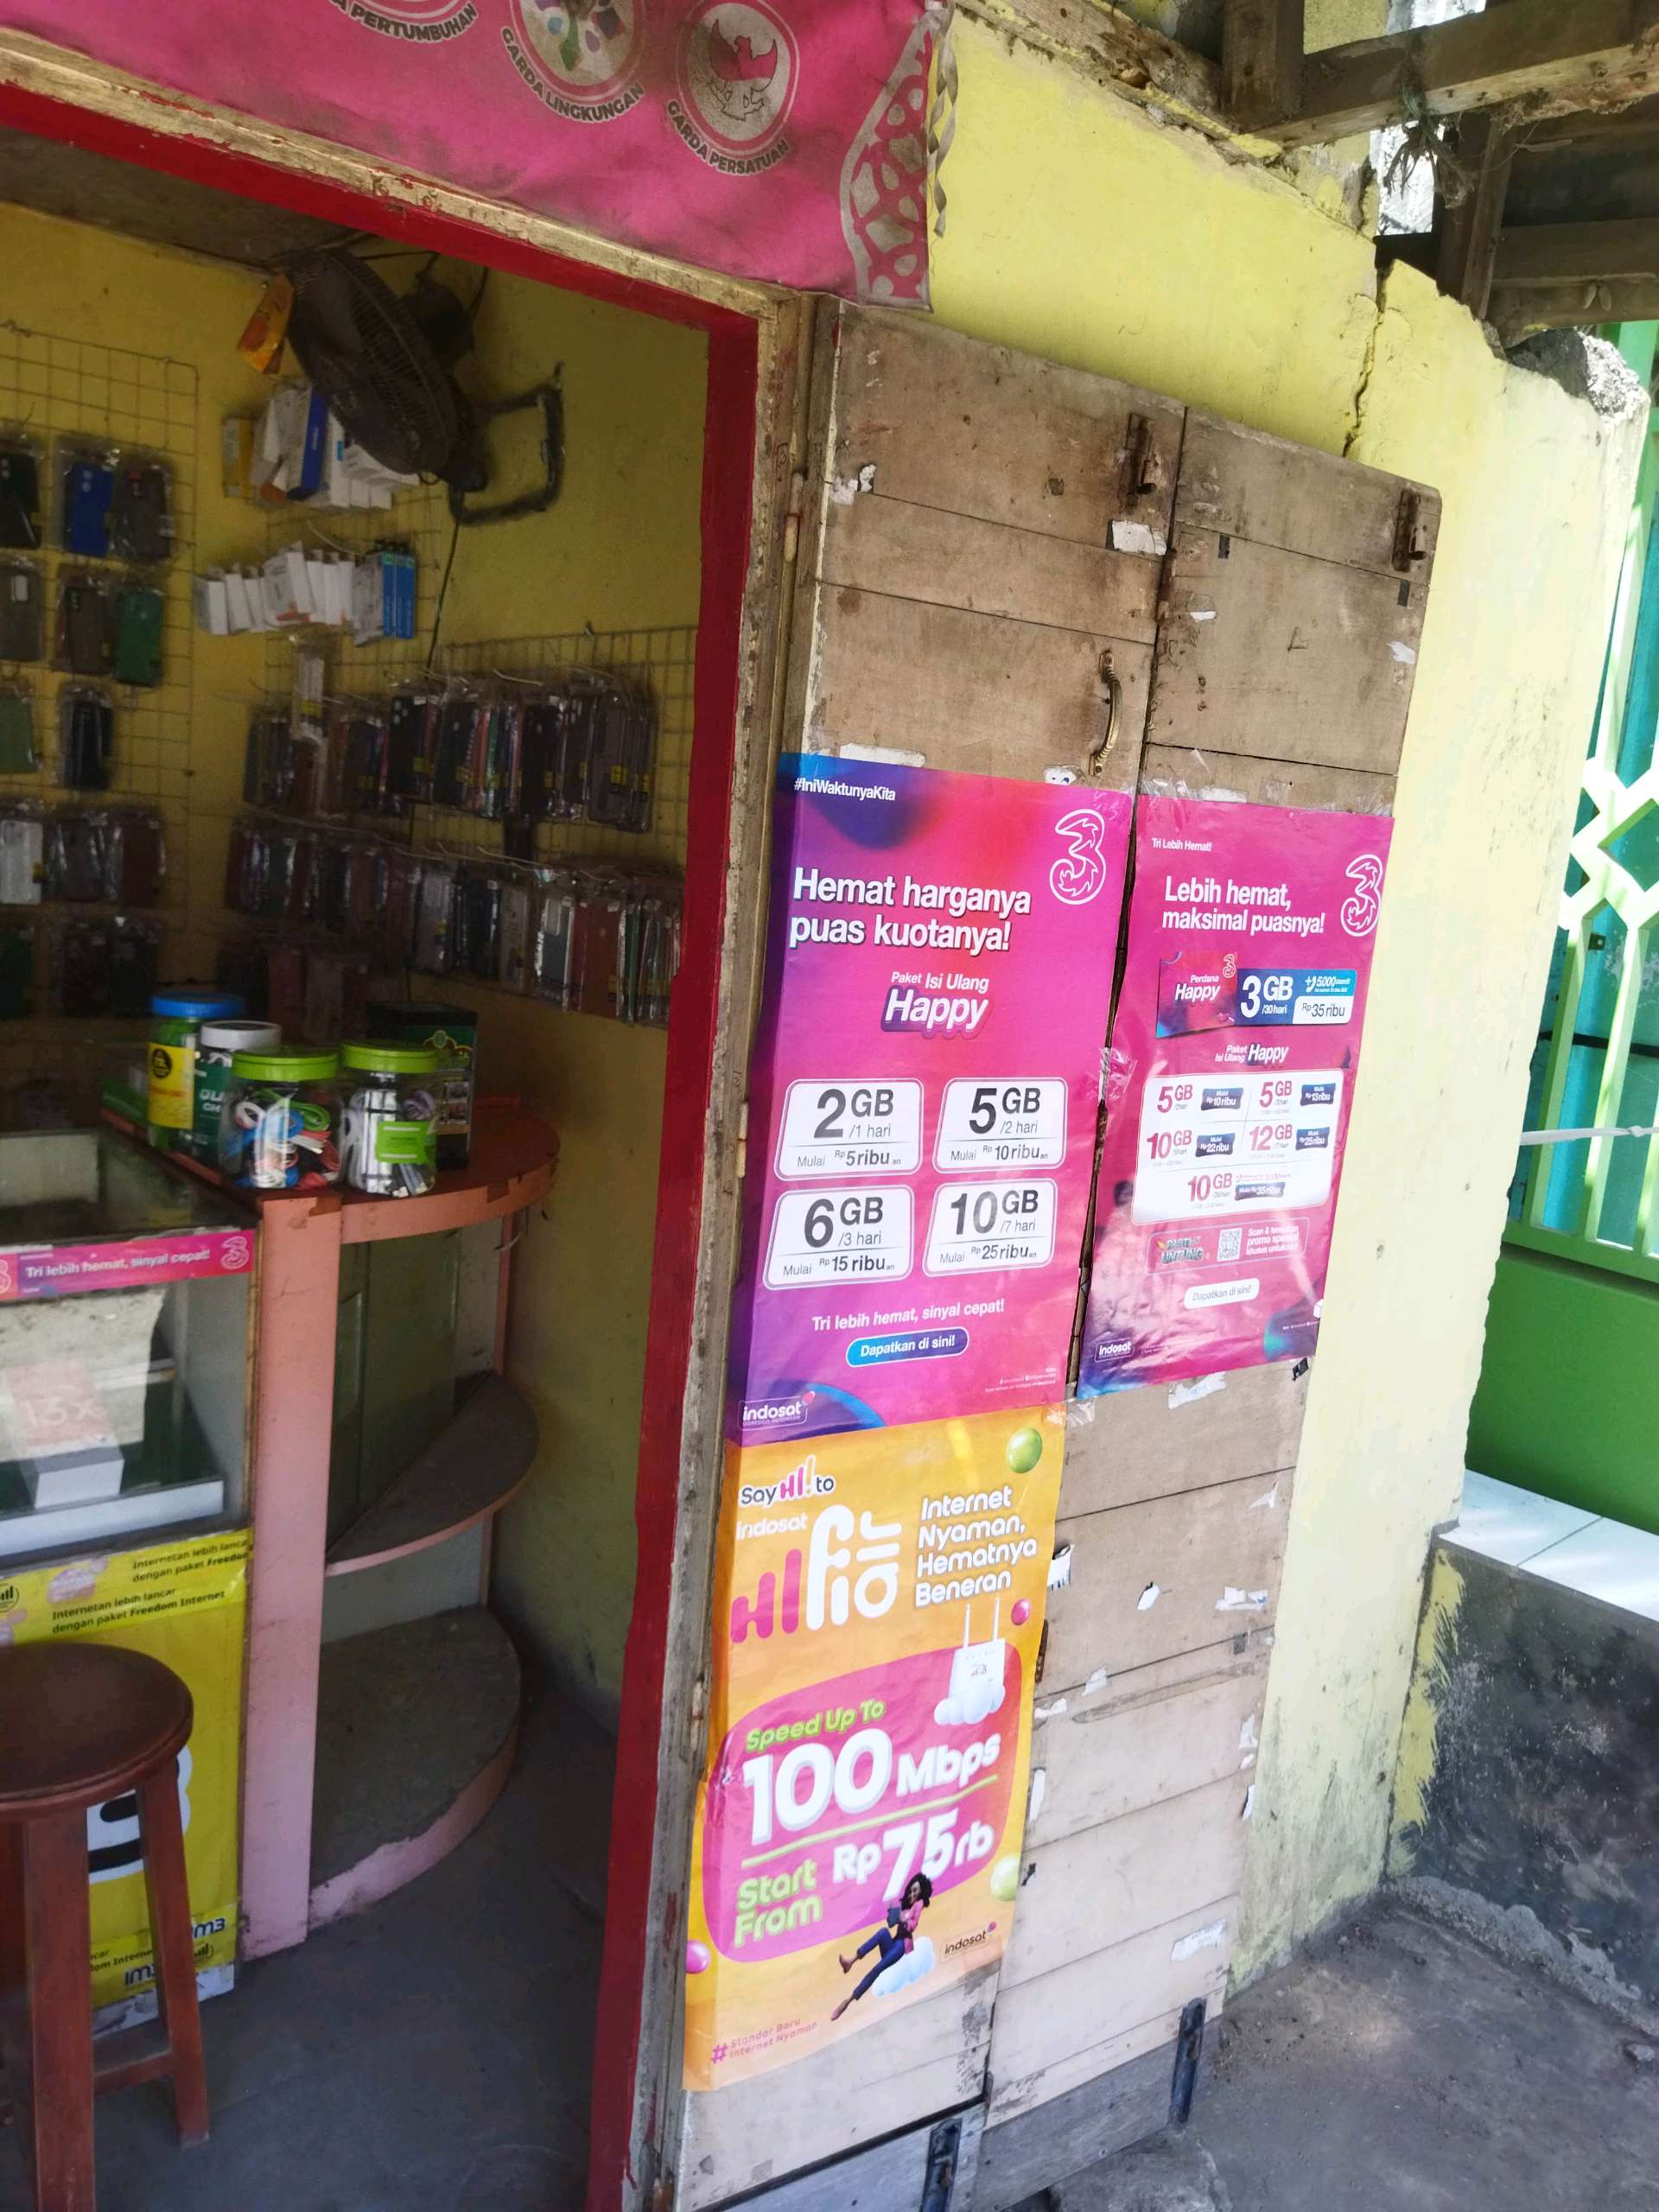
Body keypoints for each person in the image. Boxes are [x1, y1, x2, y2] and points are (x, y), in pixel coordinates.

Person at [831, 1872, 933, 2021]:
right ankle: (850, 1962)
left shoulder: (918, 1905)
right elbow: (892, 1924)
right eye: (911, 1890)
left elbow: (912, 1925)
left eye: (916, 1891)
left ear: (921, 1893)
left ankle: (848, 2001)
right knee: (883, 1932)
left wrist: (902, 1919)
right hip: (894, 1942)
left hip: (901, 1945)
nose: (912, 1894)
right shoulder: (905, 1905)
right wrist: (893, 1917)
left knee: (877, 1968)